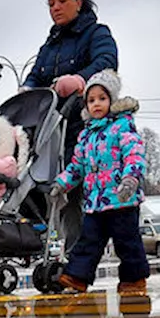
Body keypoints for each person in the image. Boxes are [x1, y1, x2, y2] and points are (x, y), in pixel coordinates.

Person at [22, 0, 119, 255]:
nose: (56, 7)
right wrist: (27, 88)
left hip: (86, 125)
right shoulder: (50, 45)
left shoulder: (96, 33)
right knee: (60, 191)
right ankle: (73, 255)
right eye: (51, 3)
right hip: (54, 128)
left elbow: (107, 61)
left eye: (62, 0)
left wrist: (79, 79)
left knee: (82, 190)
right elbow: (36, 73)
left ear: (79, 1)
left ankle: (84, 254)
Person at [49, 70, 149, 294]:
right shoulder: (85, 135)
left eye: (102, 99)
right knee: (88, 241)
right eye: (91, 100)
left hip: (122, 199)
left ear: (111, 100)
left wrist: (130, 178)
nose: (96, 104)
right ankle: (77, 277)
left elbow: (134, 154)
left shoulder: (122, 126)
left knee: (127, 242)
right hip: (95, 202)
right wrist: (62, 183)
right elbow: (77, 166)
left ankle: (134, 279)